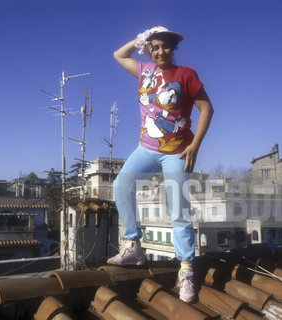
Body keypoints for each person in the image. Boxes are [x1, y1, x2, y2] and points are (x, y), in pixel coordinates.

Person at [107, 26, 214, 303]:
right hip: (146, 148)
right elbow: (119, 55)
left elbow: (207, 109)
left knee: (178, 208)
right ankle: (133, 246)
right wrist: (139, 39)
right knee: (122, 185)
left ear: (173, 49)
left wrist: (195, 145)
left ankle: (187, 270)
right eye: (154, 47)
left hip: (177, 152)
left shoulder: (185, 74)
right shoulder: (144, 71)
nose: (159, 51)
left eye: (165, 46)